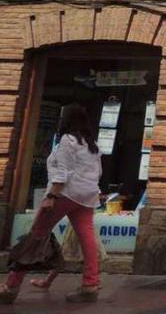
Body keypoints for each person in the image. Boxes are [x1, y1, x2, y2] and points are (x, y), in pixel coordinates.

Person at [0, 105, 102, 304]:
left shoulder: (67, 140)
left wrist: (52, 197)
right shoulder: (93, 145)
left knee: (35, 237)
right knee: (87, 240)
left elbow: (61, 173)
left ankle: (10, 287)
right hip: (87, 196)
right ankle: (90, 284)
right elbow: (98, 174)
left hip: (64, 194)